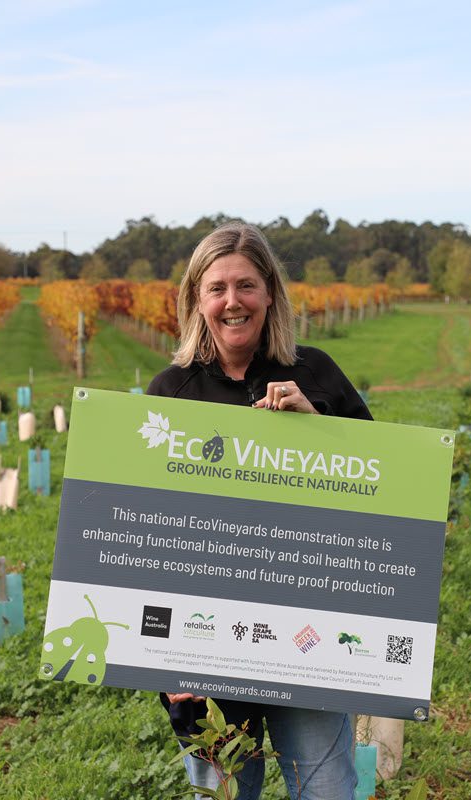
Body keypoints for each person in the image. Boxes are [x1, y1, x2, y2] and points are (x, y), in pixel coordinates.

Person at [147, 222, 373, 800]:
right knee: (224, 794)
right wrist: (158, 661)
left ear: (270, 293)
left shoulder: (317, 374)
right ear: (197, 298)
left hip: (310, 642)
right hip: (207, 651)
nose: (232, 301)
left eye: (245, 285)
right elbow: (143, 537)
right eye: (217, 287)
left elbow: (382, 499)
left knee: (326, 790)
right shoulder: (170, 395)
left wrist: (319, 433)